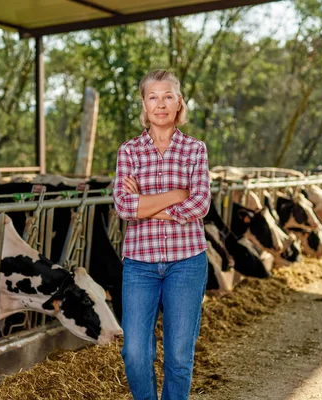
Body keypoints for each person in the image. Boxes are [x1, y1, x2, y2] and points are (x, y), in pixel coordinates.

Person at [112, 69, 211, 400]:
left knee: (179, 357)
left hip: (187, 262)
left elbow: (200, 203)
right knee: (135, 353)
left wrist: (147, 205)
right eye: (153, 97)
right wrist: (175, 195)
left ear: (179, 102)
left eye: (168, 96)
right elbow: (125, 207)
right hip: (140, 264)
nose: (161, 104)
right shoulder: (129, 151)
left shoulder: (195, 149)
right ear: (143, 103)